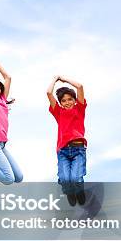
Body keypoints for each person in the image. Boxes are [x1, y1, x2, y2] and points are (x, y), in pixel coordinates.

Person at [46, 75, 87, 205]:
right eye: (63, 100)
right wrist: (54, 79)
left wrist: (64, 79)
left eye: (70, 99)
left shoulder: (79, 109)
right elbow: (48, 92)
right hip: (63, 150)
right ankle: (69, 191)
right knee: (64, 178)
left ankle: (79, 191)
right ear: (60, 103)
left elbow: (79, 86)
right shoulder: (58, 112)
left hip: (78, 149)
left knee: (75, 177)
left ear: (75, 100)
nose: (67, 102)